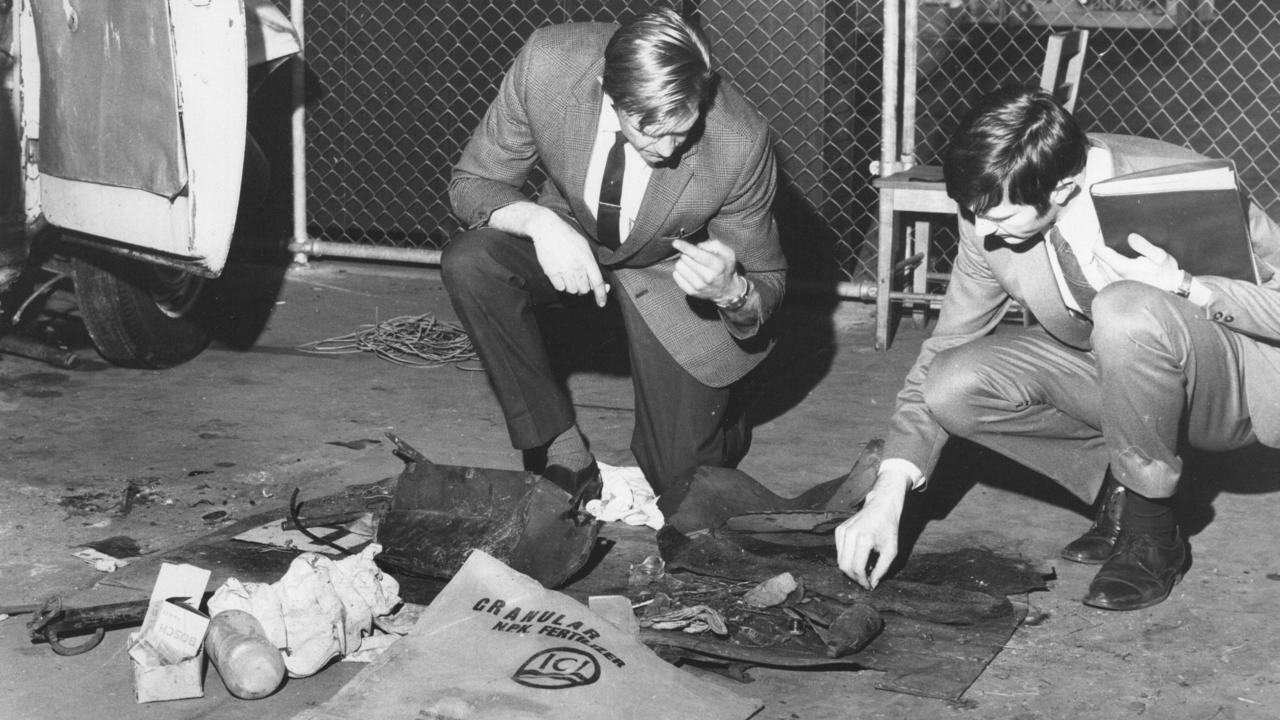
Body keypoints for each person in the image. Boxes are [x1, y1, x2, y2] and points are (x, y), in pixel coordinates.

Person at [835, 85, 1280, 611]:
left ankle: (1153, 531)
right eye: (973, 213)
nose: (981, 231)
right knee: (952, 384)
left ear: (1064, 188)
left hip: (1228, 386)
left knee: (1123, 308)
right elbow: (947, 342)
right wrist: (890, 489)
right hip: (1118, 374)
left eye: (999, 218)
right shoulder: (992, 201)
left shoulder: (1181, 180)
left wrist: (1186, 285)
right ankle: (1124, 482)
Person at [442, 7, 785, 504]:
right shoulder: (548, 64)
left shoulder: (740, 141)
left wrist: (732, 292)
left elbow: (768, 279)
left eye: (682, 131)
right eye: (652, 132)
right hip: (573, 238)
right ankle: (562, 453)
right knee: (471, 262)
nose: (669, 150)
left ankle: (726, 408)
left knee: (683, 488)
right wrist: (541, 223)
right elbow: (472, 183)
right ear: (608, 93)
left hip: (672, 280)